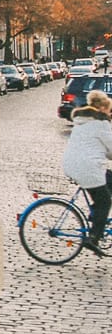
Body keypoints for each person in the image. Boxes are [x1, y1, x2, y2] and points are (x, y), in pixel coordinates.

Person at [63, 88, 112, 255]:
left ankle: (95, 214)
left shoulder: (82, 120)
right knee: (105, 201)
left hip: (74, 164)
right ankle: (93, 238)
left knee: (109, 180)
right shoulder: (101, 123)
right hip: (88, 168)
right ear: (103, 108)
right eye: (109, 110)